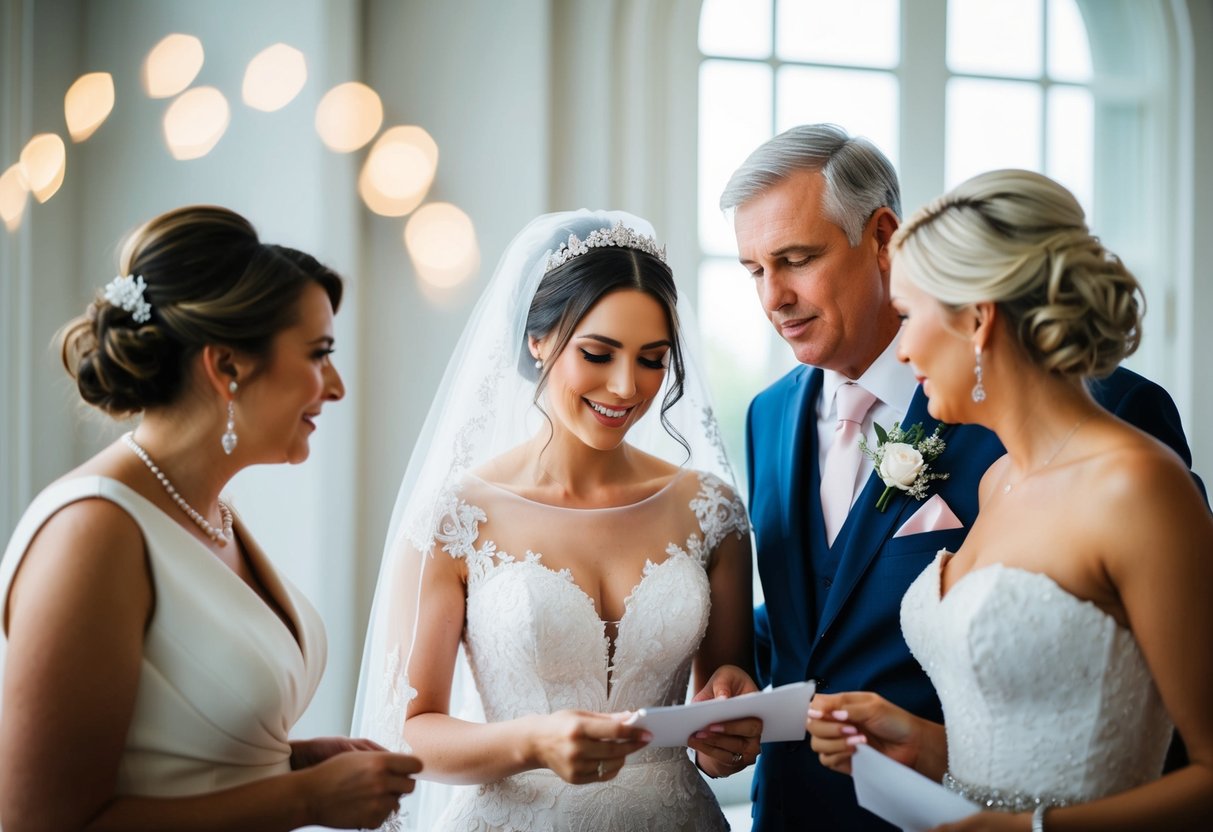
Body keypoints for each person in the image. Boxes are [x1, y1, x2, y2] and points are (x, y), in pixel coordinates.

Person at [717, 125, 1203, 831]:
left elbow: (1171, 724)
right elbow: (816, 615)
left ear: (881, 237)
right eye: (753, 270)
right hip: (794, 809)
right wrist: (737, 680)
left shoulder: (1115, 430)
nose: (772, 298)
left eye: (795, 260)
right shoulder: (770, 416)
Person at [0, 206, 421, 831]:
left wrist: (294, 764)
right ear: (227, 365)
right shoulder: (93, 531)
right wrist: (305, 801)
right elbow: (39, 823)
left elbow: (169, 763)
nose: (335, 387)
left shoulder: (206, 511)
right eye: (318, 354)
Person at [352, 210, 761, 831]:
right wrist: (533, 742)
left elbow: (722, 720)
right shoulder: (458, 517)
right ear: (537, 340)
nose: (626, 387)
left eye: (653, 360)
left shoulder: (713, 510)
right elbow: (410, 733)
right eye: (598, 353)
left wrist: (728, 724)